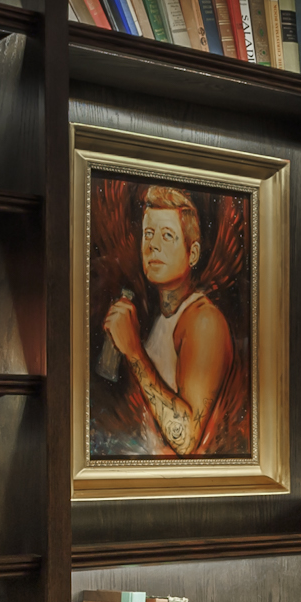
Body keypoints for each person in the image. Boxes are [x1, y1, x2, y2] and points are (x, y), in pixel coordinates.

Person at [98, 183, 240, 455]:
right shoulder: (163, 317)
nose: (153, 245)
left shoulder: (204, 322)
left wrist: (134, 351)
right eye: (148, 233)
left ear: (193, 253)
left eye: (167, 235)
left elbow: (186, 440)